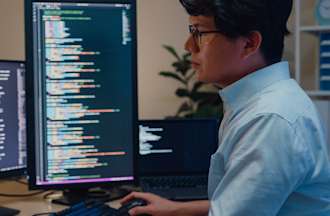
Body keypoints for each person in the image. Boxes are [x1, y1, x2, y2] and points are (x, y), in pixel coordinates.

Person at [121, 0, 330, 215]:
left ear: (249, 44)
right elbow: (246, 202)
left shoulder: (269, 119)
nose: (188, 45)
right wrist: (176, 209)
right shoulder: (261, 101)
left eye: (199, 33)